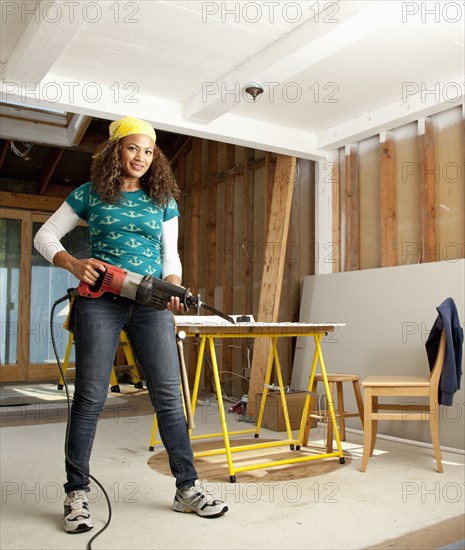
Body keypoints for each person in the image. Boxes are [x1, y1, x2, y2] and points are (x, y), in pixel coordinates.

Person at [34, 116, 228, 533]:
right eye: (132, 148)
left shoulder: (163, 200)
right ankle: (77, 493)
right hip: (99, 302)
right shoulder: (90, 194)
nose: (140, 157)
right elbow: (45, 236)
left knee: (169, 398)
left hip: (150, 304)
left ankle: (186, 488)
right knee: (89, 399)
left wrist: (173, 286)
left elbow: (169, 256)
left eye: (148, 150)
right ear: (115, 151)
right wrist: (72, 262)